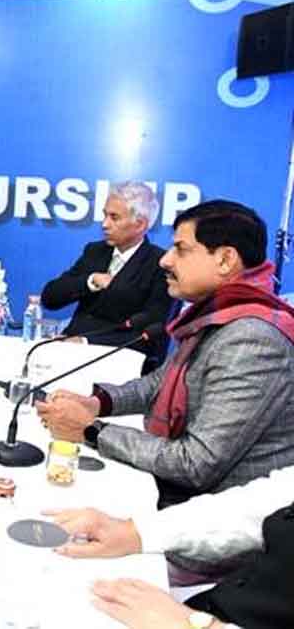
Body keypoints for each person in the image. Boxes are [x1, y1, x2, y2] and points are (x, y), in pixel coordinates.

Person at [37, 200, 294, 581]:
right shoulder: (222, 313)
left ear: (225, 260)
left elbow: (196, 463)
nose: (165, 260)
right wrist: (98, 403)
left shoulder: (252, 339)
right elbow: (162, 381)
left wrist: (90, 431)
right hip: (181, 499)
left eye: (181, 249)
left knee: (63, 559)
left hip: (212, 537)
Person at [44, 464, 294, 629]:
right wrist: (135, 533)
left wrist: (195, 625)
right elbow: (260, 503)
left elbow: (198, 460)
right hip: (215, 605)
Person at [41, 181, 176, 371]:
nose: (104, 224)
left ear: (140, 224)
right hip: (69, 353)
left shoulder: (160, 264)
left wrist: (85, 342)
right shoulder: (95, 251)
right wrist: (89, 281)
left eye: (114, 217)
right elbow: (49, 298)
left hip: (118, 364)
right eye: (105, 215)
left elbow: (152, 334)